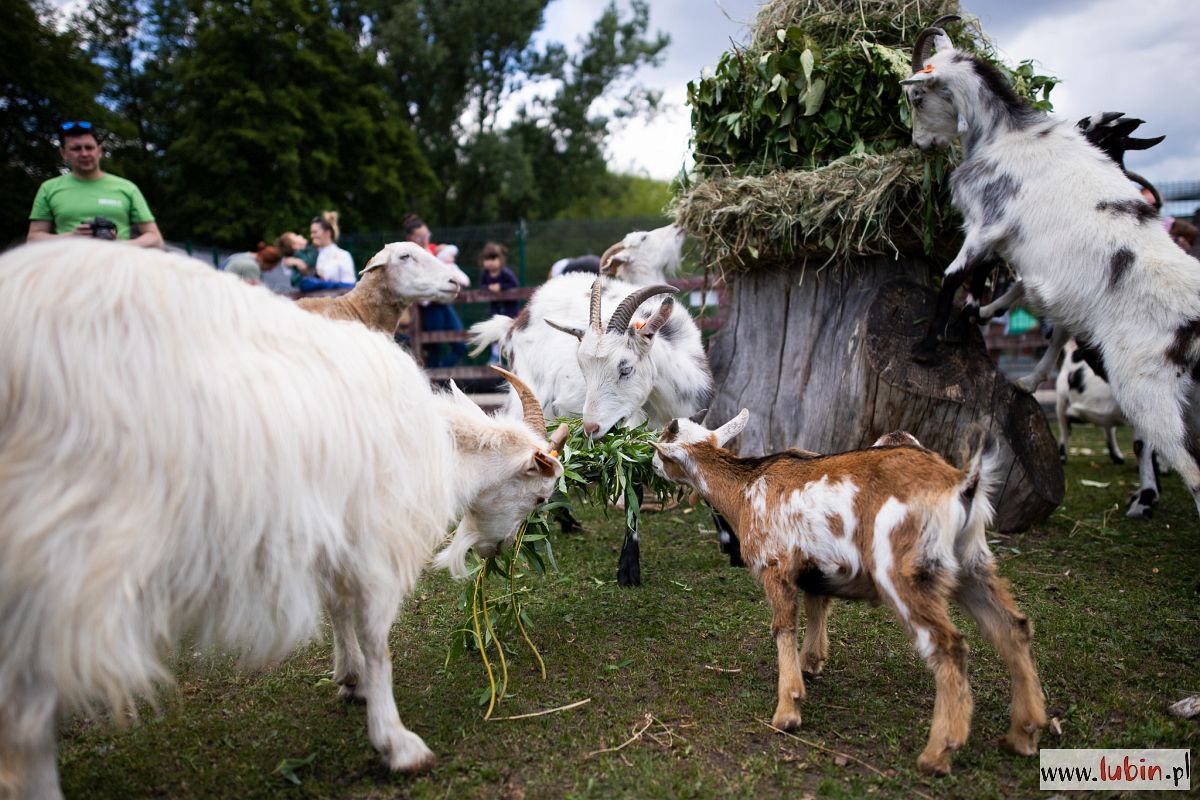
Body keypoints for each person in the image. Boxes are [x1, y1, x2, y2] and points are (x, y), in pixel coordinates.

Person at [27, 121, 163, 248]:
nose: (84, 153)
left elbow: (155, 238)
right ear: (64, 153)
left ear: (99, 151)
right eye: (76, 148)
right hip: (68, 267)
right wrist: (71, 236)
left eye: (89, 147)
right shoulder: (48, 188)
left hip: (118, 266)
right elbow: (33, 238)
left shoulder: (127, 188)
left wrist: (120, 245)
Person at [404, 213, 464, 368]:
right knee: (432, 349)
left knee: (461, 346)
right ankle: (433, 381)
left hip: (443, 304)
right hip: (428, 307)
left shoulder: (432, 250)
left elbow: (452, 252)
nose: (425, 240)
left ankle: (437, 377)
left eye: (427, 235)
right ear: (410, 238)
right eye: (420, 237)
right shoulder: (408, 257)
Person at [296, 211, 355, 292]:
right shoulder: (308, 254)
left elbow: (349, 285)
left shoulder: (343, 255)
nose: (312, 236)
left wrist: (322, 283)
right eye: (311, 233)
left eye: (315, 232)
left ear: (327, 233)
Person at [480, 241, 520, 318]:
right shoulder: (484, 274)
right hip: (495, 311)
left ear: (500, 259)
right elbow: (482, 286)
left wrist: (501, 287)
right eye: (487, 259)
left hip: (510, 311)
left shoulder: (506, 273)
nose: (490, 262)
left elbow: (515, 284)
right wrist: (489, 288)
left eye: (493, 258)